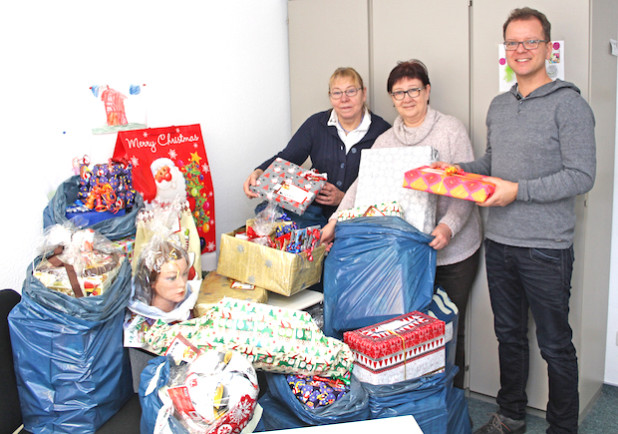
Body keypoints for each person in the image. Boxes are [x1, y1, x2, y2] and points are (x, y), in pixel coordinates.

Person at [440, 8, 595, 434]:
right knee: (508, 337)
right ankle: (510, 417)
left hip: (547, 246)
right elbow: (494, 163)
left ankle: (563, 428)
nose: (521, 50)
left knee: (555, 346)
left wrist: (518, 191)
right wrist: (460, 170)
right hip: (501, 241)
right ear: (504, 50)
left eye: (530, 42)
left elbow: (582, 175)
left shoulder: (570, 105)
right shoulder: (499, 105)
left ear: (548, 47)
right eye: (512, 43)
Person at [321, 60, 482, 390]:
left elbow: (466, 187)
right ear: (391, 98)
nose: (407, 98)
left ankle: (447, 399)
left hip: (452, 252)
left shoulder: (450, 130)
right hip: (404, 255)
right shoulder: (386, 139)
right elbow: (359, 185)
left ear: (427, 91)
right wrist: (335, 221)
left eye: (414, 90)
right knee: (407, 329)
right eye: (399, 93)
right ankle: (412, 400)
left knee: (447, 329)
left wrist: (448, 227)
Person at [243, 67, 391, 228]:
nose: (344, 99)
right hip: (312, 218)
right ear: (330, 97)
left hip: (357, 220)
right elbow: (287, 157)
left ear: (364, 94)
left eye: (351, 91)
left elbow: (385, 189)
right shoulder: (316, 124)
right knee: (269, 218)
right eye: (337, 93)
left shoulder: (382, 131)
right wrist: (259, 172)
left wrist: (344, 198)